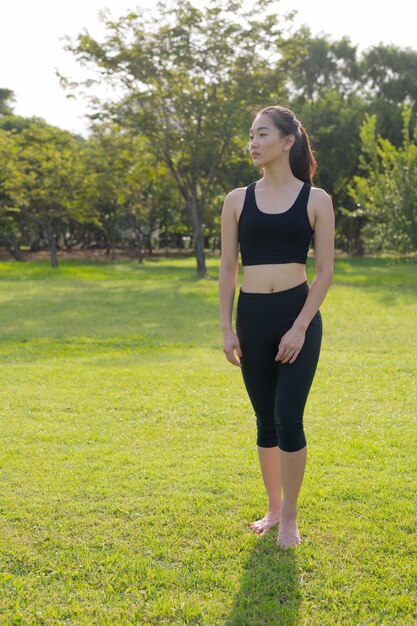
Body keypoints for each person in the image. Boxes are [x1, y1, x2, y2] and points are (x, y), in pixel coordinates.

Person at [218, 105, 335, 549]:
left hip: (296, 315)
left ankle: (290, 516)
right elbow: (228, 268)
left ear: (287, 142)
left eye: (261, 134)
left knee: (289, 416)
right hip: (251, 318)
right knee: (265, 419)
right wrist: (227, 329)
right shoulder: (236, 200)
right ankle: (271, 508)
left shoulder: (316, 200)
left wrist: (301, 326)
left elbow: (324, 271)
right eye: (250, 135)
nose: (252, 143)